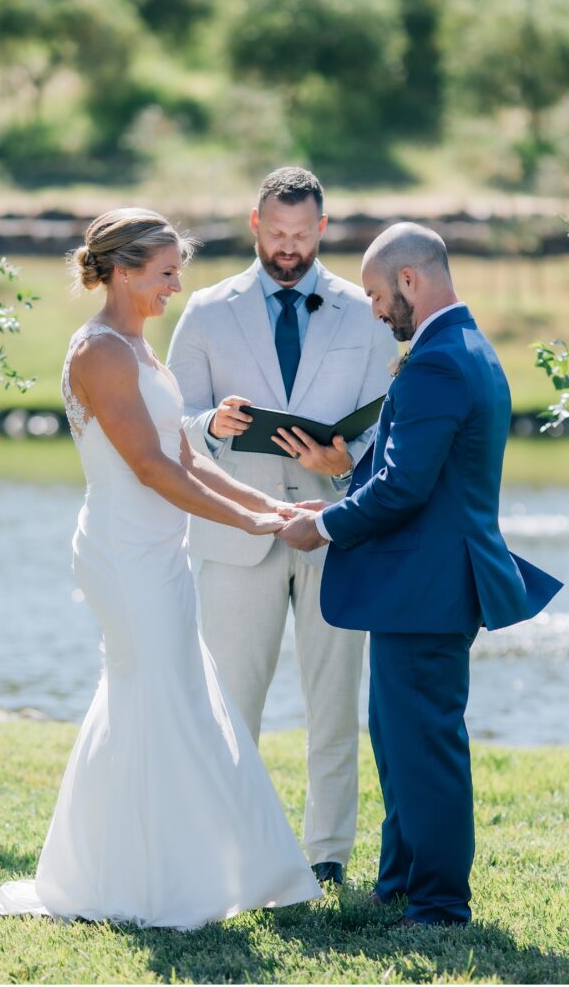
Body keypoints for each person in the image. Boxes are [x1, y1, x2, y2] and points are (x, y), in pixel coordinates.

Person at [0, 208, 321, 927]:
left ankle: (145, 867)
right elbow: (147, 467)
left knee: (160, 699)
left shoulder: (139, 344)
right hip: (122, 550)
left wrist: (273, 507)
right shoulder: (100, 350)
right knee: (161, 697)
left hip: (159, 551)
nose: (175, 285)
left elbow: (189, 456)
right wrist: (258, 522)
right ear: (125, 270)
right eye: (166, 272)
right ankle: (148, 881)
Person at [277, 222, 563, 924]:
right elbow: (407, 477)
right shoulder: (460, 347)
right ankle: (400, 877)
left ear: (409, 280)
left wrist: (320, 526)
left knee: (425, 742)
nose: (375, 310)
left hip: (430, 587)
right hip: (421, 583)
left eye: (377, 294)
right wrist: (342, 488)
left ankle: (438, 900)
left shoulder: (438, 360)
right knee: (396, 732)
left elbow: (405, 486)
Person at [167, 168, 395, 887]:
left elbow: (387, 428)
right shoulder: (205, 310)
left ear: (321, 229)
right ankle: (231, 848)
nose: (288, 248)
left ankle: (326, 855)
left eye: (302, 235)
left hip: (335, 532)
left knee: (333, 707)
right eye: (277, 233)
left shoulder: (366, 312)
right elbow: (167, 426)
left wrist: (343, 458)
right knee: (231, 702)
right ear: (254, 223)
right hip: (236, 535)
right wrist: (210, 424)